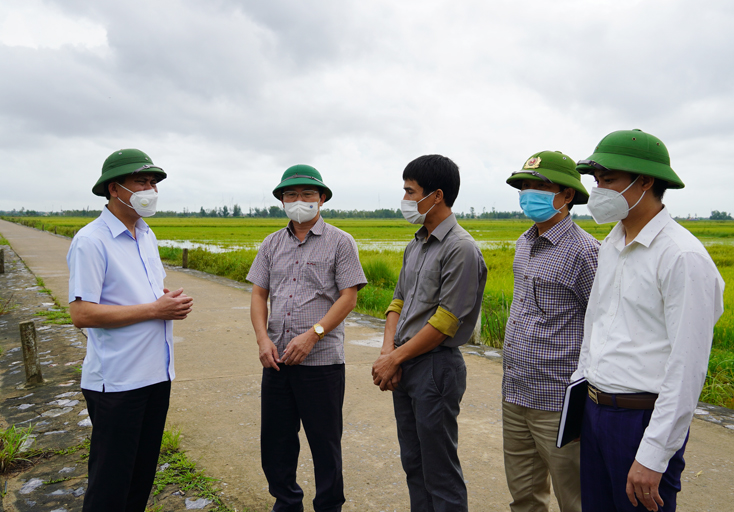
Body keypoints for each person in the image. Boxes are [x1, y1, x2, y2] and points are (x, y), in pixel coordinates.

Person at [571, 129, 725, 512]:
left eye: (608, 180)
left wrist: (654, 454)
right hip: (596, 412)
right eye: (596, 181)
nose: (598, 191)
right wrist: (580, 400)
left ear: (645, 181)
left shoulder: (681, 257)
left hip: (640, 421)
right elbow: (595, 326)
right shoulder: (612, 243)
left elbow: (687, 366)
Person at [67, 148, 194, 511]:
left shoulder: (146, 235)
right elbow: (82, 313)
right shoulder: (91, 241)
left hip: (156, 374)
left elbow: (136, 295)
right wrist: (155, 308)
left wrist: (163, 300)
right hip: (118, 382)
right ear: (114, 188)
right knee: (111, 483)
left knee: (141, 478)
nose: (150, 189)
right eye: (142, 181)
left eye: (154, 183)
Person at [247, 164, 367, 512]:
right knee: (276, 442)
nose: (298, 200)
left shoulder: (340, 242)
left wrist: (313, 335)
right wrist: (262, 340)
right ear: (282, 200)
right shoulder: (271, 244)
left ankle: (328, 506)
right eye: (291, 195)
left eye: (307, 194)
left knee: (325, 443)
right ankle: (286, 503)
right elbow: (258, 294)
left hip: (322, 362)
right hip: (277, 361)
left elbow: (349, 296)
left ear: (322, 199)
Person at [371, 154, 488, 512]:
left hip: (435, 367)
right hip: (405, 362)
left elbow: (444, 323)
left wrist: (395, 358)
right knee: (414, 464)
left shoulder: (460, 248)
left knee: (439, 470)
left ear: (436, 196)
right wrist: (387, 351)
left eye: (410, 192)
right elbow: (397, 302)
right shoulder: (416, 244)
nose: (405, 200)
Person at [502, 151, 600, 512]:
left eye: (541, 186)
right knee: (524, 496)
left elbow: (601, 323)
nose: (530, 193)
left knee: (574, 499)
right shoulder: (523, 243)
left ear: (567, 195)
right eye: (525, 185)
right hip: (515, 392)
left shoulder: (585, 252)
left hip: (557, 401)